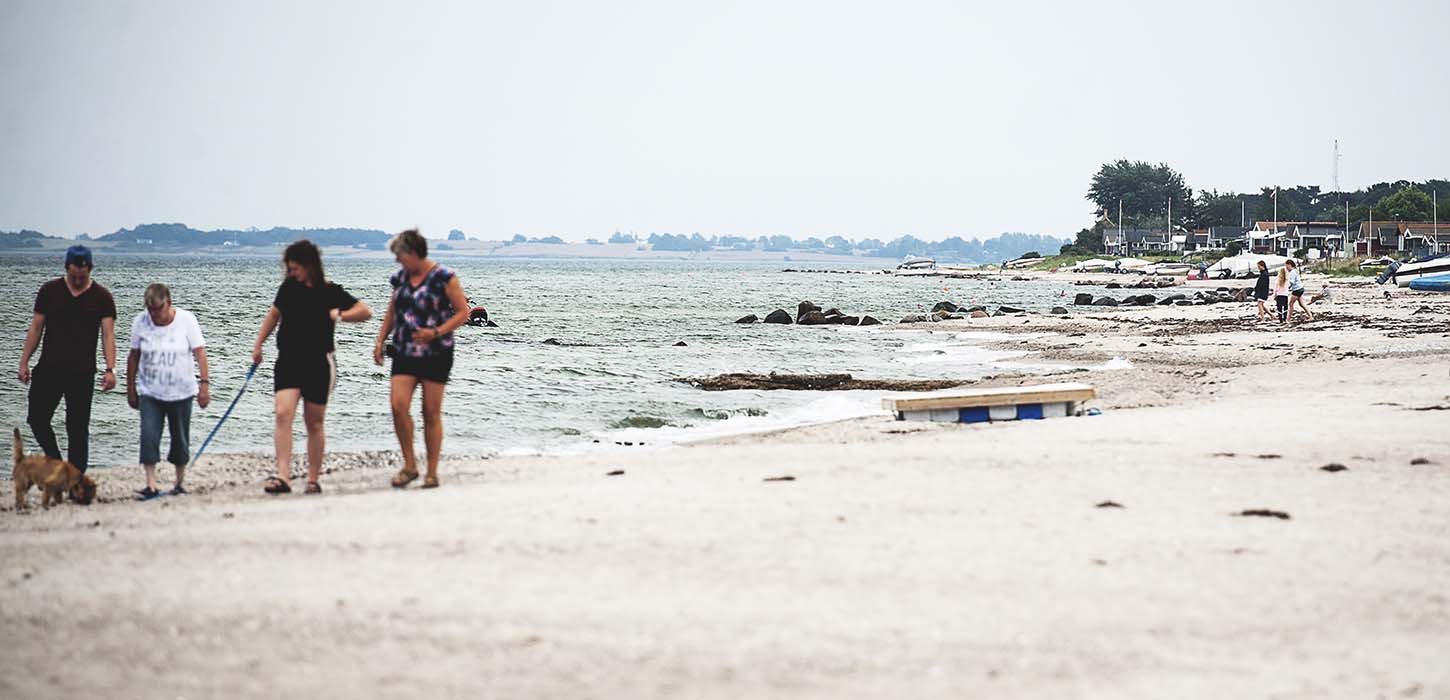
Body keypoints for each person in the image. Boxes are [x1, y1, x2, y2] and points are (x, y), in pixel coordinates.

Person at [251, 241, 372, 495]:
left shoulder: (330, 291)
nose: (292, 272)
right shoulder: (288, 289)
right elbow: (274, 315)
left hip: (319, 363)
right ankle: (283, 476)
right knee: (283, 413)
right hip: (288, 361)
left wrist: (339, 315)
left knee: (314, 422)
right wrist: (259, 344)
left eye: (295, 268)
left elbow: (364, 312)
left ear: (309, 265)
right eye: (289, 268)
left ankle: (313, 479)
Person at [373, 229, 470, 490]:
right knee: (397, 405)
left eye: (400, 255)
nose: (397, 261)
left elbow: (463, 312)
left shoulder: (444, 277)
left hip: (437, 352)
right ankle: (409, 465)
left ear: (414, 253)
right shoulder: (400, 278)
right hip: (404, 350)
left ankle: (432, 472)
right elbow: (392, 309)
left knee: (430, 413)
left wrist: (436, 332)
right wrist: (381, 339)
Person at [18, 245, 117, 475]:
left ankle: (76, 479)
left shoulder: (102, 297)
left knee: (78, 429)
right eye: (74, 276)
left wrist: (110, 368)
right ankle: (57, 463)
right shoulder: (49, 291)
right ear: (67, 268)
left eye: (83, 276)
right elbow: (35, 328)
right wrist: (24, 362)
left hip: (82, 373)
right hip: (49, 368)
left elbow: (108, 335)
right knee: (37, 419)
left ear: (90, 269)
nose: (78, 280)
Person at [126, 283, 209, 497]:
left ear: (168, 303)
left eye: (158, 308)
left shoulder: (186, 320)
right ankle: (151, 483)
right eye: (150, 309)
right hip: (150, 391)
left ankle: (179, 482)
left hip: (181, 391)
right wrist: (131, 388)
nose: (153, 314)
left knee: (180, 437)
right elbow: (133, 356)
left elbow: (200, 352)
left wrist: (204, 385)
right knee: (149, 434)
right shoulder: (141, 322)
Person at [1285, 259, 1313, 324]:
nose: (1286, 268)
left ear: (1289, 265)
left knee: (1290, 304)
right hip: (1301, 288)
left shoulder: (1292, 272)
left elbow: (1292, 281)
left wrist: (1287, 287)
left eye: (1287, 266)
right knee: (1302, 304)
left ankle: (1288, 319)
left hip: (1297, 290)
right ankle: (1310, 316)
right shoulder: (1295, 270)